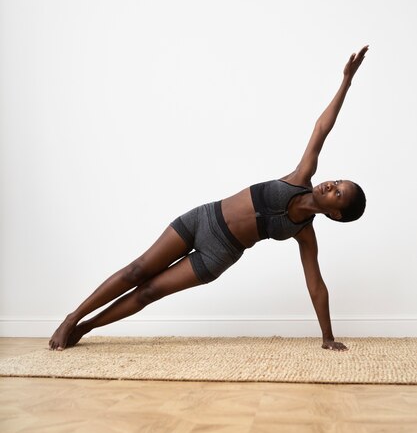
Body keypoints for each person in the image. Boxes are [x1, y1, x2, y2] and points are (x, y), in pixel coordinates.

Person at [49, 45, 369, 353]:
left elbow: (316, 285)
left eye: (337, 193)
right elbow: (322, 128)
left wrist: (327, 336)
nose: (330, 185)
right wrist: (346, 81)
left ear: (336, 214)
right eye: (337, 181)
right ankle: (72, 318)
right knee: (137, 270)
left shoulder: (304, 232)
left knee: (150, 291)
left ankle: (87, 327)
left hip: (218, 255)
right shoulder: (301, 177)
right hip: (202, 220)